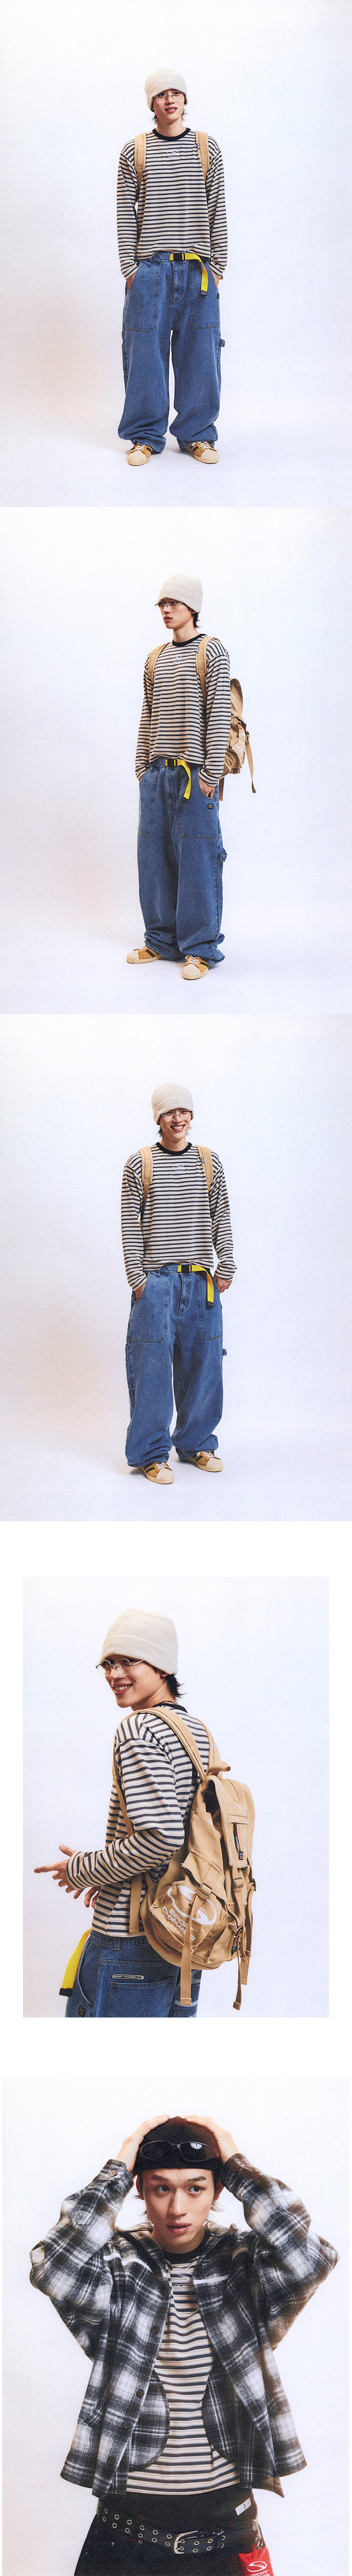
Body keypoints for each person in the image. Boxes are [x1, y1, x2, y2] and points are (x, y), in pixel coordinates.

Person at [30, 2111, 339, 2576]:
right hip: (123, 2539)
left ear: (218, 2191)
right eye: (161, 2188)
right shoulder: (115, 2269)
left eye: (196, 2188)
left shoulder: (246, 2265)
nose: (178, 2208)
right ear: (140, 2190)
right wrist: (118, 2168)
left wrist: (237, 2166)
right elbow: (53, 2266)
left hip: (228, 2539)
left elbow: (308, 2258)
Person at [34, 1608, 211, 2018]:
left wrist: (82, 1869)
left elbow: (160, 1838)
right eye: (108, 1664)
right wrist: (114, 1873)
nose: (115, 1674)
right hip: (182, 1933)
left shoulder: (139, 1729)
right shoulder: (196, 1732)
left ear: (162, 1665)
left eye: (129, 1661)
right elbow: (181, 1840)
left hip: (130, 1940)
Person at [121, 1084, 235, 1483]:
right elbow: (130, 1224)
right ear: (158, 1118)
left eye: (184, 1111)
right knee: (152, 1370)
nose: (178, 1118)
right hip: (156, 1283)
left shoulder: (209, 1161)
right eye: (170, 1112)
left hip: (202, 1282)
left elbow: (221, 1215)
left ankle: (197, 1444)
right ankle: (151, 1455)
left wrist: (227, 1264)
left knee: (204, 1365)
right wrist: (138, 1280)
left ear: (191, 1116)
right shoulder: (140, 1163)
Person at [117, 71, 227, 465]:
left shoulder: (206, 147)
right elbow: (125, 212)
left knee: (201, 356)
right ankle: (145, 437)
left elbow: (217, 208)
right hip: (150, 270)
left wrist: (218, 266)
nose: (170, 100)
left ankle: (198, 435)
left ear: (185, 99)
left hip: (199, 270)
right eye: (161, 95)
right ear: (152, 103)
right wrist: (131, 269)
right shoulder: (135, 150)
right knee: (145, 356)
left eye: (176, 93)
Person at [127, 577, 231, 981]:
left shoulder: (211, 651)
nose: (166, 610)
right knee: (154, 862)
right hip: (156, 776)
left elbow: (219, 713)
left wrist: (210, 773)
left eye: (174, 603)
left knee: (198, 864)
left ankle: (200, 950)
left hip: (195, 776)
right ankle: (160, 942)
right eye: (162, 604)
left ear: (192, 607)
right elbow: (147, 716)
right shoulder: (154, 658)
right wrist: (142, 770)